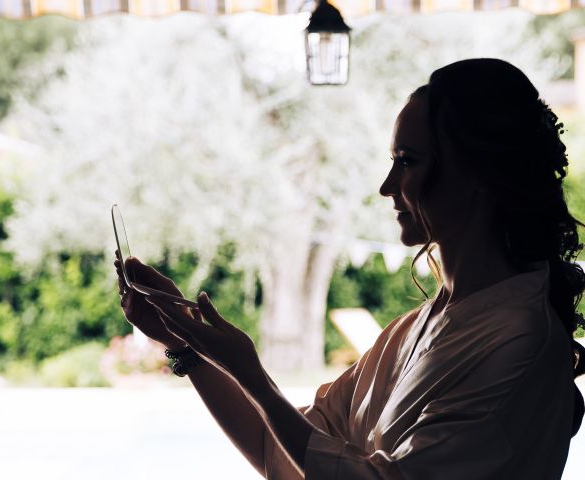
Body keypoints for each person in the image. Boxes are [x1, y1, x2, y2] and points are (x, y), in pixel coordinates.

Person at [114, 58, 585, 479]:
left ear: (478, 173)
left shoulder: (520, 342)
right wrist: (185, 343)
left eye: (407, 162)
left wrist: (251, 372)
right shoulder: (413, 330)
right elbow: (280, 451)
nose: (387, 186)